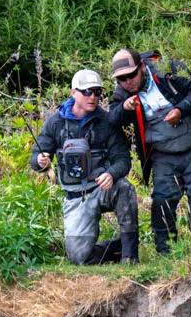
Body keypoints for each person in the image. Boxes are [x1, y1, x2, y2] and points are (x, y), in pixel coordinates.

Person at [108, 49, 191, 255]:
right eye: (122, 79)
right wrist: (124, 107)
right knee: (162, 201)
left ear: (142, 67)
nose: (128, 82)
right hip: (163, 154)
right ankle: (166, 254)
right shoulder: (122, 92)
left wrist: (180, 109)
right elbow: (112, 119)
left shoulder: (167, 69)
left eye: (131, 75)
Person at [31, 69, 139, 264]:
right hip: (75, 197)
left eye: (97, 92)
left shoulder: (107, 121)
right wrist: (40, 161)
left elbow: (123, 159)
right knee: (79, 259)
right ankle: (117, 248)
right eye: (87, 92)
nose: (93, 97)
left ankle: (130, 255)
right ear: (73, 92)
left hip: (102, 188)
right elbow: (36, 155)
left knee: (125, 188)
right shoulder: (55, 123)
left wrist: (112, 174)